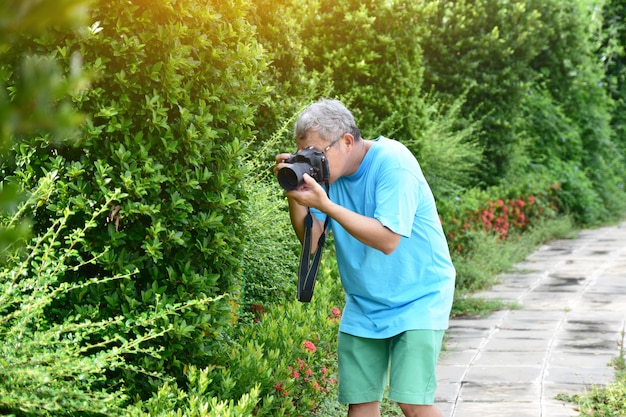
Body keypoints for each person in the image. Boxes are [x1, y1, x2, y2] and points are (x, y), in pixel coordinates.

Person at [274, 98, 455, 417]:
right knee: (360, 404)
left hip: (419, 296)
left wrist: (326, 205)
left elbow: (387, 240)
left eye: (317, 153)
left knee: (412, 402)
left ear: (346, 141)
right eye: (305, 155)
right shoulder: (328, 179)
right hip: (364, 302)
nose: (313, 163)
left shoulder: (393, 162)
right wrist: (296, 197)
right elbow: (311, 240)